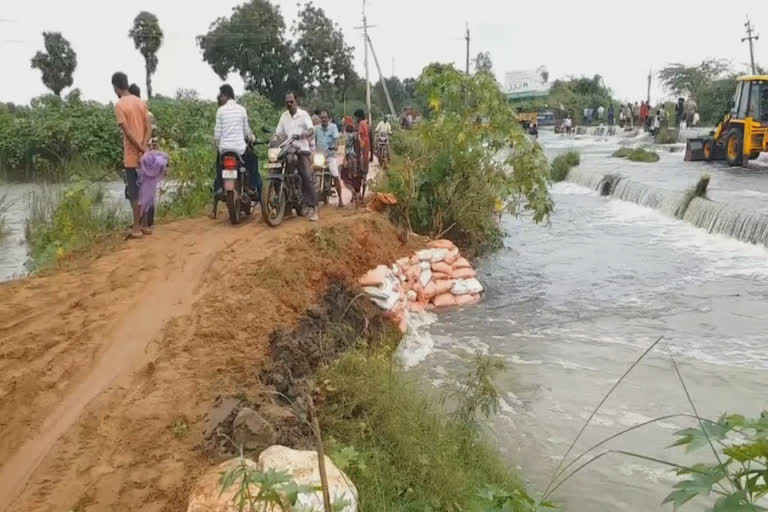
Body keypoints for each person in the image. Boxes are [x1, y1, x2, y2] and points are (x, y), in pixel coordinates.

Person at [112, 72, 152, 239]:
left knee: (134, 193)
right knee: (145, 189)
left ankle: (136, 228)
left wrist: (138, 148)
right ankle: (145, 226)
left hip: (131, 157)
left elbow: (127, 133)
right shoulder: (141, 103)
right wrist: (144, 147)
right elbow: (149, 127)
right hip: (145, 155)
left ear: (115, 87)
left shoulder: (120, 105)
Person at [213, 84, 261, 208]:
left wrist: (218, 146)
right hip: (240, 149)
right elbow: (247, 132)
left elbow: (217, 135)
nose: (219, 98)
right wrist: (252, 138)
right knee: (253, 159)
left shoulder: (220, 111)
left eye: (220, 95)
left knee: (219, 166)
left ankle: (218, 188)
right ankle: (250, 186)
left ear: (226, 95)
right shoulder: (241, 109)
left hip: (224, 150)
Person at [275, 91, 318, 221]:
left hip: (301, 150)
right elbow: (279, 133)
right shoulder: (284, 116)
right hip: (287, 149)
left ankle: (315, 209)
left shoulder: (303, 115)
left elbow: (312, 129)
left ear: (296, 101)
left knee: (306, 175)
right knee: (275, 169)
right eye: (287, 102)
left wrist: (304, 134)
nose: (289, 104)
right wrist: (273, 139)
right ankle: (284, 205)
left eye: (291, 101)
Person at [127, 83, 157, 228]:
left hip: (136, 156)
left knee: (134, 190)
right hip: (149, 156)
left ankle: (138, 223)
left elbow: (129, 136)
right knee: (148, 188)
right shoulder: (149, 114)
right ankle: (147, 222)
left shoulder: (130, 113)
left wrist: (140, 148)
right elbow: (154, 137)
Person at [315, 110, 344, 207]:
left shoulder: (333, 127)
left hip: (330, 156)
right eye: (322, 117)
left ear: (329, 118)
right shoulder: (316, 129)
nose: (323, 119)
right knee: (309, 173)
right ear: (320, 118)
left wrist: (335, 146)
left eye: (325, 117)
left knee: (335, 175)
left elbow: (336, 140)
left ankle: (340, 199)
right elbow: (312, 141)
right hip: (319, 156)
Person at [341, 122, 362, 204]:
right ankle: (357, 194)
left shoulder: (346, 137)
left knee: (347, 177)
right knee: (356, 176)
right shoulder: (355, 136)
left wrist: (344, 159)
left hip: (349, 157)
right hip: (356, 158)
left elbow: (344, 148)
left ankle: (353, 193)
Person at [355, 109, 371, 198]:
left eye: (356, 117)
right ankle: (363, 196)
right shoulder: (368, 126)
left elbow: (357, 143)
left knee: (357, 177)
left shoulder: (360, 125)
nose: (355, 119)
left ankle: (358, 195)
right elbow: (371, 142)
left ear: (359, 117)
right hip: (366, 156)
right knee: (364, 176)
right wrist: (371, 155)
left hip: (359, 156)